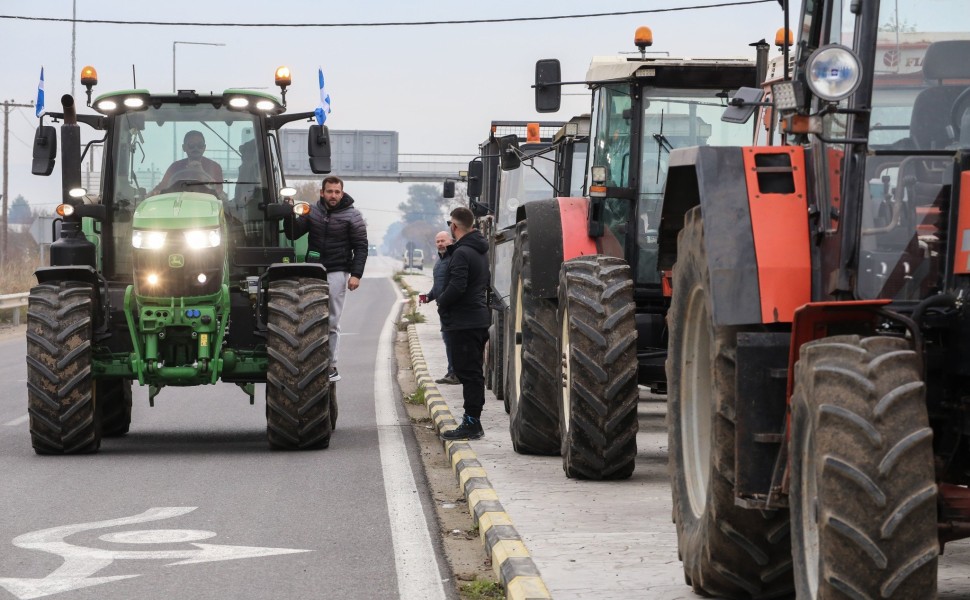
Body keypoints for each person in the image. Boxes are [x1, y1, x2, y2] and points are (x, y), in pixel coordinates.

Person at [284, 175, 368, 382]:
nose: (333, 195)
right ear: (322, 193)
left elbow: (361, 247)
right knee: (308, 318)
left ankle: (331, 364)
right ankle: (307, 361)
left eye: (337, 192)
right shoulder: (312, 211)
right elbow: (293, 233)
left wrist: (356, 275)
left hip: (338, 271)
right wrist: (288, 212)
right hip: (312, 271)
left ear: (342, 193)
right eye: (329, 191)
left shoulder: (353, 216)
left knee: (331, 320)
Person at [437, 207, 491, 441]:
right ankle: (472, 420)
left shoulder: (462, 253)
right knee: (473, 372)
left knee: (468, 373)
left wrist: (442, 302)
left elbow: (458, 286)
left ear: (454, 226)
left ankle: (471, 423)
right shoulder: (479, 251)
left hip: (464, 321)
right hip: (477, 319)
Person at [420, 230, 458, 385]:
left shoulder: (454, 258)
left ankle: (455, 373)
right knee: (448, 340)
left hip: (453, 307)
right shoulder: (439, 261)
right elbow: (438, 285)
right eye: (438, 241)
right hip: (443, 307)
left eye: (443, 240)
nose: (440, 244)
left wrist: (443, 298)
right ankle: (452, 372)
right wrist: (429, 296)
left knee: (453, 341)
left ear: (451, 241)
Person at [154, 130, 224, 196]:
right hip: (178, 205)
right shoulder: (175, 167)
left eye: (200, 145)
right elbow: (161, 188)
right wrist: (153, 193)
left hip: (207, 206)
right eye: (191, 145)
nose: (196, 148)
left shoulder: (214, 167)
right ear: (184, 147)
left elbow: (218, 192)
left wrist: (201, 173)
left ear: (204, 147)